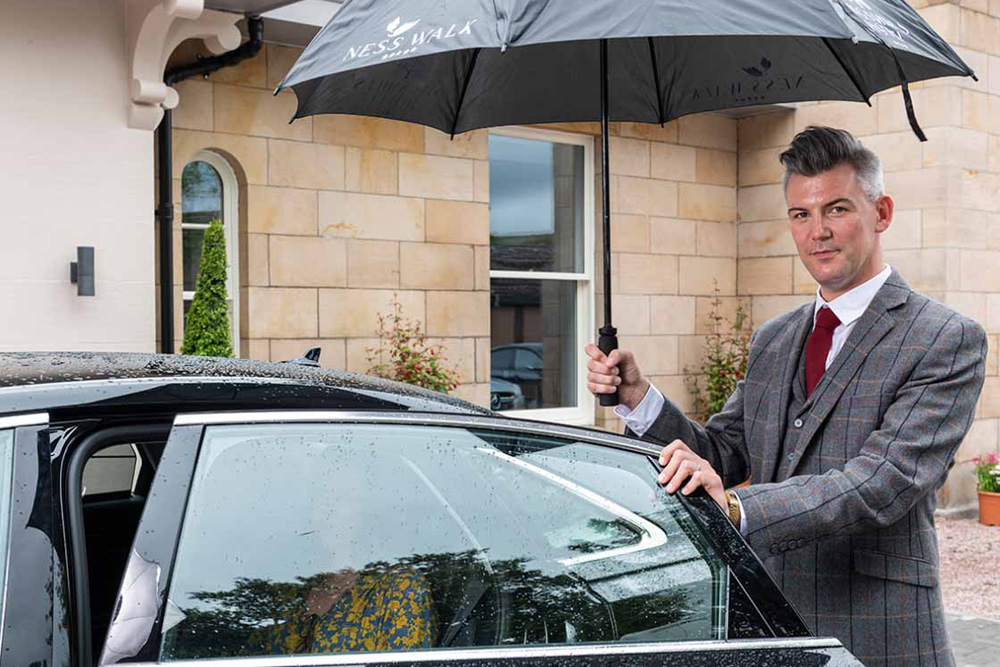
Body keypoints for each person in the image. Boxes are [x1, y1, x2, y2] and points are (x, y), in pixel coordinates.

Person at [586, 126, 986, 667]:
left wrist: (736, 506)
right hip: (769, 621)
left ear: (881, 212)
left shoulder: (943, 337)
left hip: (880, 631)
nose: (818, 231)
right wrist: (639, 398)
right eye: (801, 214)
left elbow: (883, 482)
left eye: (837, 209)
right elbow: (722, 453)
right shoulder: (774, 338)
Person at [255, 566, 436, 655]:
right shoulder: (289, 597)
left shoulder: (400, 587)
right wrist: (305, 613)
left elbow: (409, 661)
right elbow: (264, 655)